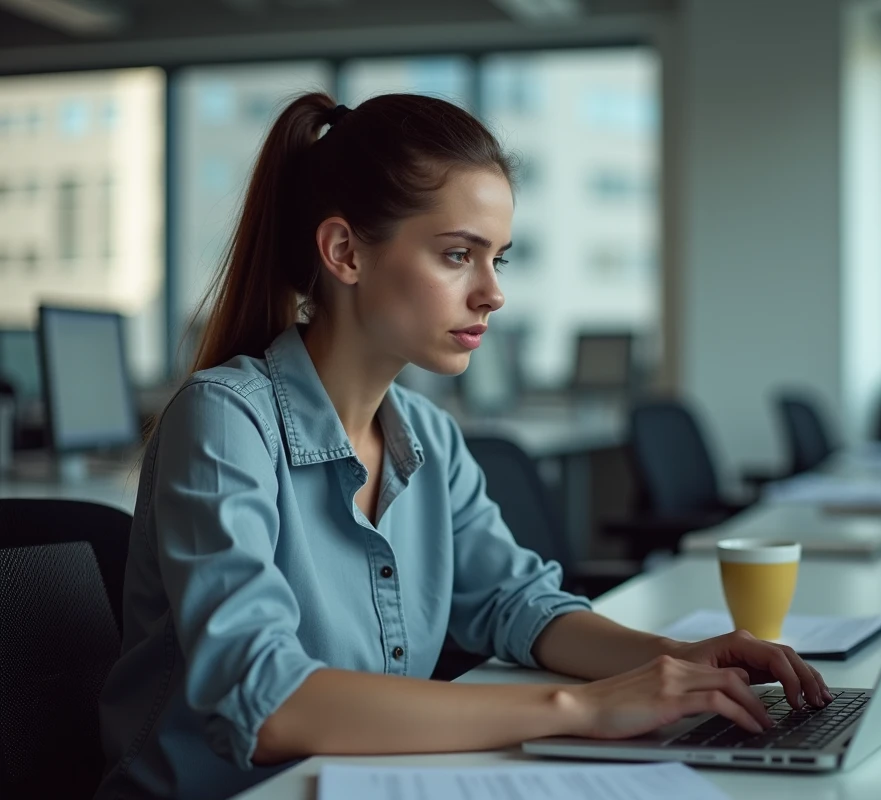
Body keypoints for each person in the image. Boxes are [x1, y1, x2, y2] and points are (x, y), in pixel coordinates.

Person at [94, 93, 832, 800]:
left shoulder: (430, 438)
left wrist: (674, 661)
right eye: (457, 255)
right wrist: (582, 710)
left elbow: (518, 604)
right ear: (345, 251)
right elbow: (273, 702)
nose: (492, 293)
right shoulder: (223, 421)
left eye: (498, 259)